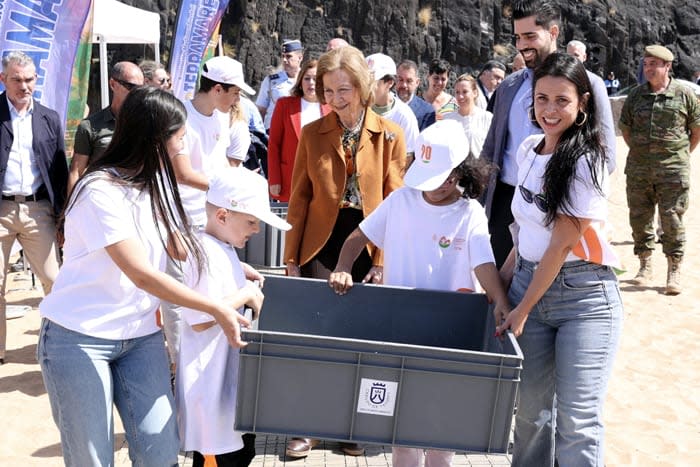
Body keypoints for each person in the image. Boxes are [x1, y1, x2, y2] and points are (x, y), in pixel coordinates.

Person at [37, 86, 253, 466]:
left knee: (160, 452)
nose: (184, 150)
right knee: (93, 458)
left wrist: (232, 264)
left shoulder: (155, 185)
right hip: (78, 339)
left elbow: (181, 246)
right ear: (155, 142)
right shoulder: (99, 190)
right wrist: (217, 307)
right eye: (180, 139)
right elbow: (141, 274)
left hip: (140, 339)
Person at [328, 120, 510, 467]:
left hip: (451, 330)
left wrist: (500, 300)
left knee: (443, 421)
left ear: (460, 172)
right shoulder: (401, 201)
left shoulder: (469, 212)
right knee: (403, 421)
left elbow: (484, 261)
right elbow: (358, 237)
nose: (436, 187)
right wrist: (341, 266)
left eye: (444, 179)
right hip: (401, 324)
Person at [497, 52, 623, 467]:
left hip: (583, 299)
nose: (550, 110)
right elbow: (527, 228)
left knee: (578, 421)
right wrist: (504, 279)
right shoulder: (530, 149)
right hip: (528, 286)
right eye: (542, 99)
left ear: (582, 103)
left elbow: (561, 244)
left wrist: (522, 309)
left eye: (562, 101)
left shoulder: (589, 159)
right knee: (530, 416)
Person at [283, 45, 405, 459]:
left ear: (362, 86)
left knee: (363, 338)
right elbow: (299, 199)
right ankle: (309, 425)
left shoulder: (390, 133)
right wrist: (290, 259)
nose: (336, 99)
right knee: (318, 335)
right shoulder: (313, 133)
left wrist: (384, 260)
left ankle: (354, 425)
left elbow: (396, 200)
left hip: (370, 241)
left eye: (344, 89)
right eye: (328, 91)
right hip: (321, 239)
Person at [481, 0, 617, 268]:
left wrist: (565, 189)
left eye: (530, 36)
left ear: (553, 33)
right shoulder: (508, 87)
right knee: (503, 290)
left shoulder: (589, 84)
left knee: (551, 288)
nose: (521, 45)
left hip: (560, 204)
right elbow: (492, 148)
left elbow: (606, 156)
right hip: (505, 203)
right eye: (518, 37)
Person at [176, 167, 289, 467]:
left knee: (241, 453)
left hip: (225, 388)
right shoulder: (204, 253)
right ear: (223, 216)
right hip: (210, 389)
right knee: (221, 459)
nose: (256, 230)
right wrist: (245, 294)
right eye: (251, 222)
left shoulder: (221, 246)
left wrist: (241, 272)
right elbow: (200, 317)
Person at [166, 55, 256, 371]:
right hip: (181, 222)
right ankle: (179, 365)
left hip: (210, 223)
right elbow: (183, 174)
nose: (237, 100)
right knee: (179, 300)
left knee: (210, 293)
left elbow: (218, 169)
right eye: (234, 93)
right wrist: (227, 190)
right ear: (217, 89)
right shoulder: (181, 118)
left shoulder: (220, 119)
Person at [0, 51, 68, 366]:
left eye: (29, 79)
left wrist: (62, 217)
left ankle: (56, 347)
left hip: (38, 208)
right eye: (17, 79)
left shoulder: (49, 118)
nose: (24, 86)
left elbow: (59, 170)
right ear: (3, 79)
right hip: (1, 208)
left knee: (55, 281)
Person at [619, 45, 700, 295]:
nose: (649, 68)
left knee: (672, 218)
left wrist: (679, 155)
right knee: (639, 218)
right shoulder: (635, 95)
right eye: (646, 64)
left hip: (673, 171)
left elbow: (696, 131)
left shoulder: (684, 94)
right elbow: (626, 130)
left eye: (654, 64)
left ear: (667, 66)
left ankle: (673, 269)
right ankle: (644, 266)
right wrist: (644, 153)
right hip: (639, 170)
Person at [69, 61, 144, 195]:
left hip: (137, 198)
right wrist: (70, 209)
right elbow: (76, 172)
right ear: (113, 84)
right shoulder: (90, 126)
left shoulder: (148, 123)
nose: (136, 93)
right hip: (101, 198)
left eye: (141, 89)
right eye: (130, 87)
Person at [268, 59, 330, 201]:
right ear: (300, 81)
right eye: (307, 78)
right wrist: (274, 179)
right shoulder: (284, 105)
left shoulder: (331, 108)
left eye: (316, 79)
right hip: (291, 178)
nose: (311, 83)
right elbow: (273, 145)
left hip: (322, 180)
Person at [367, 53, 420, 159]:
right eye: (365, 81)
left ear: (390, 83)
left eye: (373, 82)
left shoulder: (404, 116)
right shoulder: (357, 109)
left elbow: (408, 157)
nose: (367, 87)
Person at [256, 39, 304, 131]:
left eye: (289, 56)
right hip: (273, 130)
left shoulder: (308, 80)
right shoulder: (271, 81)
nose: (284, 60)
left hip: (299, 131)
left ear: (300, 57)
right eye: (283, 56)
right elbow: (261, 110)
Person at [444, 74, 493, 158]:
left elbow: (493, 147)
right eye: (457, 92)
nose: (460, 96)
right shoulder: (447, 118)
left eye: (465, 92)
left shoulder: (487, 117)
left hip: (479, 168)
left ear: (475, 93)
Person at [396, 59, 436, 131]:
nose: (404, 85)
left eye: (409, 81)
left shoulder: (427, 111)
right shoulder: (384, 106)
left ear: (417, 82)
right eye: (400, 79)